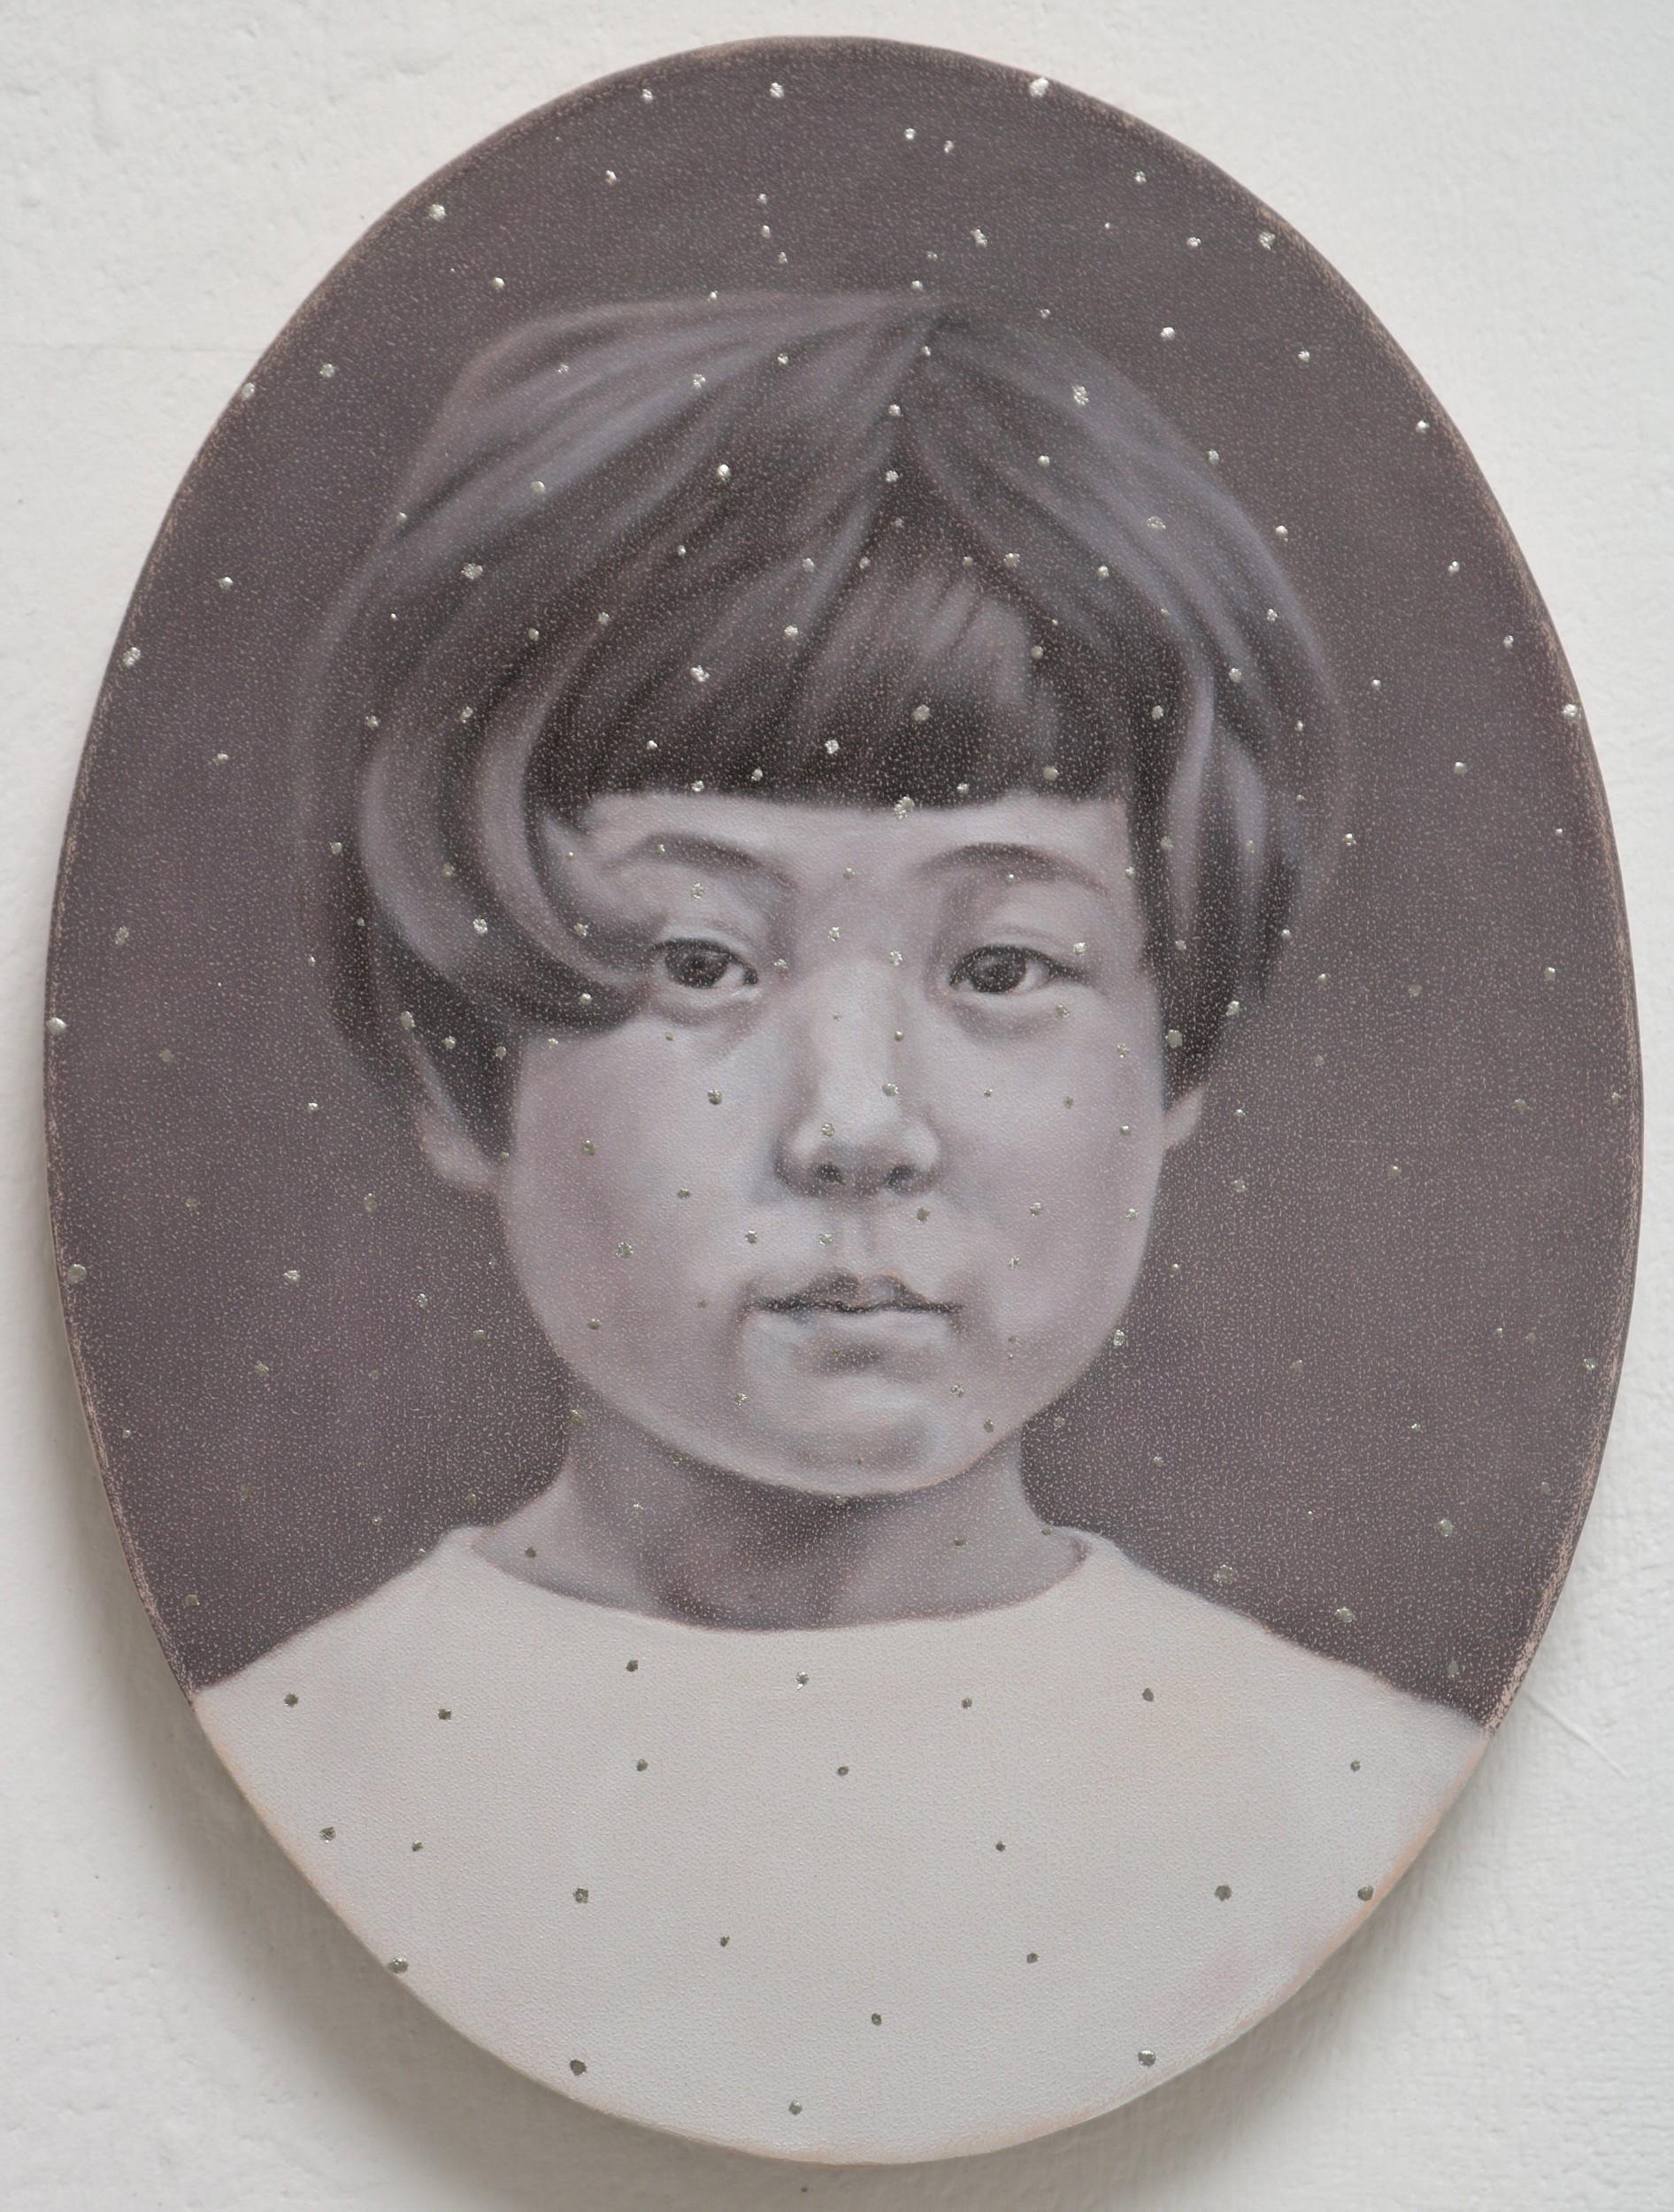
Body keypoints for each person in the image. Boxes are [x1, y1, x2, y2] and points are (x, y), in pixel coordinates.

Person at [196, 293, 1483, 2161]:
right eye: (700, 960)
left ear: (1176, 1048)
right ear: (459, 1062)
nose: (858, 1123)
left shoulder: (1353, 1807)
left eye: (1004, 965)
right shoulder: (285, 1782)